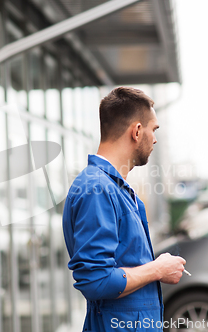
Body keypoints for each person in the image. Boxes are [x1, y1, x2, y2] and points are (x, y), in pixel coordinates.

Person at [62, 86, 186, 332]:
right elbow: (96, 280)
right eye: (154, 129)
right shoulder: (97, 190)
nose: (155, 138)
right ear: (137, 131)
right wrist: (157, 269)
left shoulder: (113, 188)